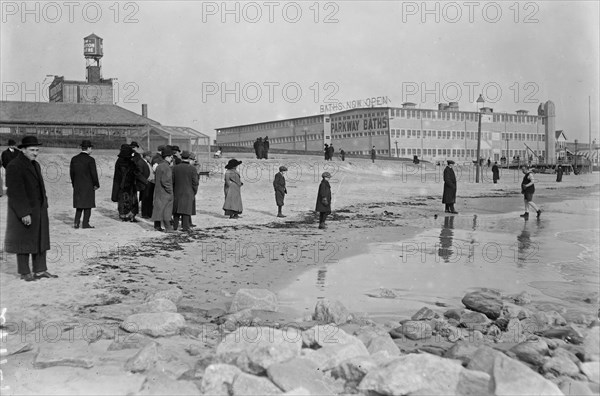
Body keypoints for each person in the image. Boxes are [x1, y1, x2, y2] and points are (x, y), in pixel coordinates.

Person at [4, 136, 57, 281]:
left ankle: (40, 270)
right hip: (25, 210)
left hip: (39, 209)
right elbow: (15, 192)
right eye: (32, 150)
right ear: (23, 150)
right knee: (24, 240)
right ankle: (24, 272)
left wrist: (44, 204)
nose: (35, 153)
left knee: (40, 239)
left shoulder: (35, 164)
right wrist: (23, 213)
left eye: (37, 150)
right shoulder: (14, 165)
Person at [69, 140, 99, 229]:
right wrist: (96, 184)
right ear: (88, 148)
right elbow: (94, 174)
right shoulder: (91, 160)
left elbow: (72, 173)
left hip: (77, 185)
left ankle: (76, 223)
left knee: (79, 205)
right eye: (91, 148)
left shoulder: (74, 159)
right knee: (88, 205)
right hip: (88, 185)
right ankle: (85, 224)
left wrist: (74, 184)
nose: (92, 150)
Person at [111, 145, 140, 222]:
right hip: (129, 185)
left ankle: (123, 215)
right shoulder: (130, 162)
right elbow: (135, 172)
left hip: (121, 184)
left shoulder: (119, 161)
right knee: (131, 200)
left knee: (123, 200)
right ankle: (130, 216)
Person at [172, 151, 199, 232]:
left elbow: (172, 180)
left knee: (176, 209)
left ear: (181, 157)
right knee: (186, 210)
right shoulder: (192, 168)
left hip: (177, 191)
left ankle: (175, 226)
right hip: (188, 191)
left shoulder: (175, 168)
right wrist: (194, 191)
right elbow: (195, 182)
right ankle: (185, 226)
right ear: (189, 158)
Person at [151, 147, 175, 232]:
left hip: (158, 191)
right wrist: (170, 191)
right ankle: (168, 228)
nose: (172, 158)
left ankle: (157, 226)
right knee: (167, 210)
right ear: (167, 157)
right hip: (165, 193)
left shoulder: (159, 166)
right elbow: (166, 181)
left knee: (158, 208)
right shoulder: (166, 167)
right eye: (171, 157)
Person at [130, 141, 149, 214]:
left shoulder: (137, 156)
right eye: (132, 147)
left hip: (138, 181)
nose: (133, 149)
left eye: (134, 147)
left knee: (135, 199)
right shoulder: (132, 157)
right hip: (135, 181)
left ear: (137, 148)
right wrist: (144, 180)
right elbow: (137, 172)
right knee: (133, 199)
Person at [140, 151, 155, 218]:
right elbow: (140, 173)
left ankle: (149, 213)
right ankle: (145, 213)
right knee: (145, 198)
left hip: (151, 182)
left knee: (149, 198)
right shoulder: (142, 163)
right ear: (146, 156)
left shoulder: (148, 163)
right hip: (146, 182)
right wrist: (145, 181)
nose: (150, 157)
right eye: (149, 156)